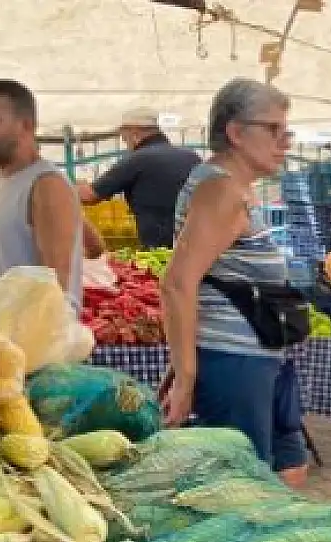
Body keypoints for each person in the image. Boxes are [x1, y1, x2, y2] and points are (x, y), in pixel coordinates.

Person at [160, 79, 307, 487]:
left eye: (287, 132)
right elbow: (177, 283)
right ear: (236, 133)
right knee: (243, 489)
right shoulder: (220, 191)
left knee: (283, 471)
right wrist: (186, 376)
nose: (285, 143)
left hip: (255, 357)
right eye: (274, 130)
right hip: (233, 362)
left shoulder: (233, 190)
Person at [0, 79, 84, 312]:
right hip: (2, 344)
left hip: (30, 346)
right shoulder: (5, 183)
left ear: (26, 125)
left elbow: (56, 288)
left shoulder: (46, 185)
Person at [77, 109, 201, 249]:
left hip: (159, 246)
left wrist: (70, 185)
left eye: (124, 137)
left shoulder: (138, 159)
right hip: (197, 243)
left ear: (134, 133)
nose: (125, 142)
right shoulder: (192, 157)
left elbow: (88, 195)